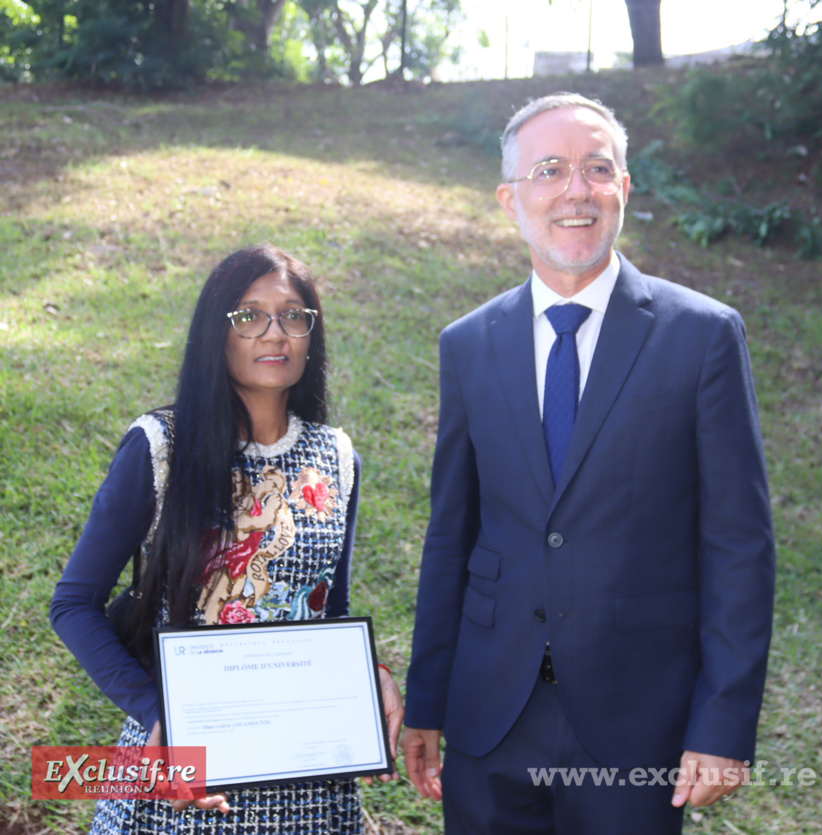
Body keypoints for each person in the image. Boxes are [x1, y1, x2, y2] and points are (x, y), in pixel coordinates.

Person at [401, 92, 775, 834]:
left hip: (637, 722)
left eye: (597, 169)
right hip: (489, 717)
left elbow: (738, 544)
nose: (576, 190)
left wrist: (724, 723)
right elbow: (451, 537)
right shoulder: (468, 344)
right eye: (549, 170)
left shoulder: (702, 336)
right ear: (510, 198)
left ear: (623, 188)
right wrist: (428, 700)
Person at [51, 243, 404, 834]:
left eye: (293, 316)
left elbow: (328, 612)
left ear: (311, 334)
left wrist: (373, 673)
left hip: (305, 774)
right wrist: (157, 714)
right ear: (217, 332)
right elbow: (73, 604)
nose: (275, 333)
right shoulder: (161, 447)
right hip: (185, 768)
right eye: (249, 316)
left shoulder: (337, 457)